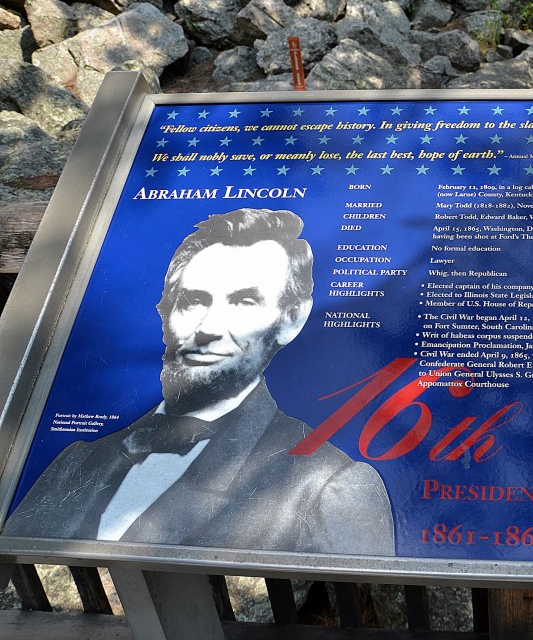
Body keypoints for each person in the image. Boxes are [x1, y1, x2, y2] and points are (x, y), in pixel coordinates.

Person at [4, 208, 395, 556]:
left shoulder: (330, 488)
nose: (207, 328)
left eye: (244, 302)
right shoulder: (76, 461)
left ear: (290, 319)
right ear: (165, 312)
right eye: (193, 301)